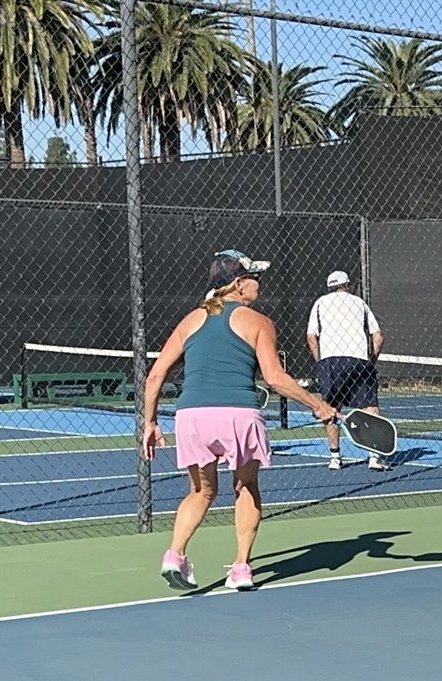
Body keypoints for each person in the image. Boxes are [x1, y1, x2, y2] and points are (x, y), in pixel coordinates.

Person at [141, 250, 336, 592]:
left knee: (201, 491)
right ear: (238, 284)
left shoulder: (190, 320)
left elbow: (155, 375)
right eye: (254, 278)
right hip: (238, 414)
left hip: (192, 416)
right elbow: (274, 378)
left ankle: (174, 554)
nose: (259, 284)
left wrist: (150, 422)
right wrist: (317, 405)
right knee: (245, 487)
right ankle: (242, 568)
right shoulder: (259, 322)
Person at [308, 269, 385, 471]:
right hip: (360, 361)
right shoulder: (360, 303)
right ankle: (374, 456)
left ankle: (335, 457)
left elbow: (311, 337)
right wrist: (371, 362)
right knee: (369, 406)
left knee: (331, 408)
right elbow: (378, 336)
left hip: (330, 362)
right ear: (348, 286)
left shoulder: (319, 304)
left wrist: (321, 361)